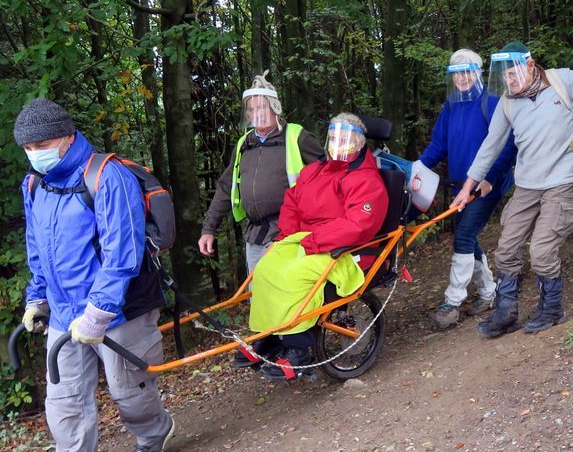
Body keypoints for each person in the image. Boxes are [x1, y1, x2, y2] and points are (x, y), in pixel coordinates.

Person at [15, 99, 173, 452]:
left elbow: (123, 253)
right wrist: (37, 297)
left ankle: (153, 436)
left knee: (130, 392)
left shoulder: (106, 175)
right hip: (63, 313)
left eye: (40, 145)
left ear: (67, 138)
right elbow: (37, 248)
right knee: (64, 404)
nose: (33, 154)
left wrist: (99, 312)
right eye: (27, 148)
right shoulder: (34, 186)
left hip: (118, 310)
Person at [452, 41, 573, 338]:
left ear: (530, 65)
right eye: (504, 76)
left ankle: (552, 308)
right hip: (527, 186)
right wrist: (467, 187)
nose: (510, 80)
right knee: (506, 248)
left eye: (514, 73)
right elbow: (489, 147)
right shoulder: (508, 102)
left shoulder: (562, 80)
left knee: (543, 249)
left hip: (561, 182)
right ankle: (506, 311)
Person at [242, 113, 389, 380]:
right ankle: (271, 333)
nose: (337, 144)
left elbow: (359, 224)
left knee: (293, 276)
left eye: (344, 139)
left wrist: (315, 239)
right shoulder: (314, 171)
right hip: (307, 239)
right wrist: (290, 237)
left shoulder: (365, 179)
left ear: (358, 143)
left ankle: (299, 350)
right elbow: (292, 203)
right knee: (266, 268)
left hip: (344, 249)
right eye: (333, 138)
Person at [420, 49, 517, 329]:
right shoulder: (451, 106)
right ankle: (489, 293)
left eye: (467, 71)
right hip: (460, 186)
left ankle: (453, 301)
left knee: (463, 235)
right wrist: (417, 169)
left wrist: (491, 178)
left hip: (488, 185)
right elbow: (438, 145)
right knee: (468, 237)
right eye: (456, 73)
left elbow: (507, 145)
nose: (462, 78)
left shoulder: (492, 101)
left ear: (478, 72)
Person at [198, 73, 324, 272]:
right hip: (255, 233)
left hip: (290, 231)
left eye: (262, 107)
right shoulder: (244, 144)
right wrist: (209, 228)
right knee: (256, 295)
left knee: (283, 293)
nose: (257, 113)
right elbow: (225, 188)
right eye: (252, 109)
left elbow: (328, 177)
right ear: (247, 115)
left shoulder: (296, 136)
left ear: (275, 108)